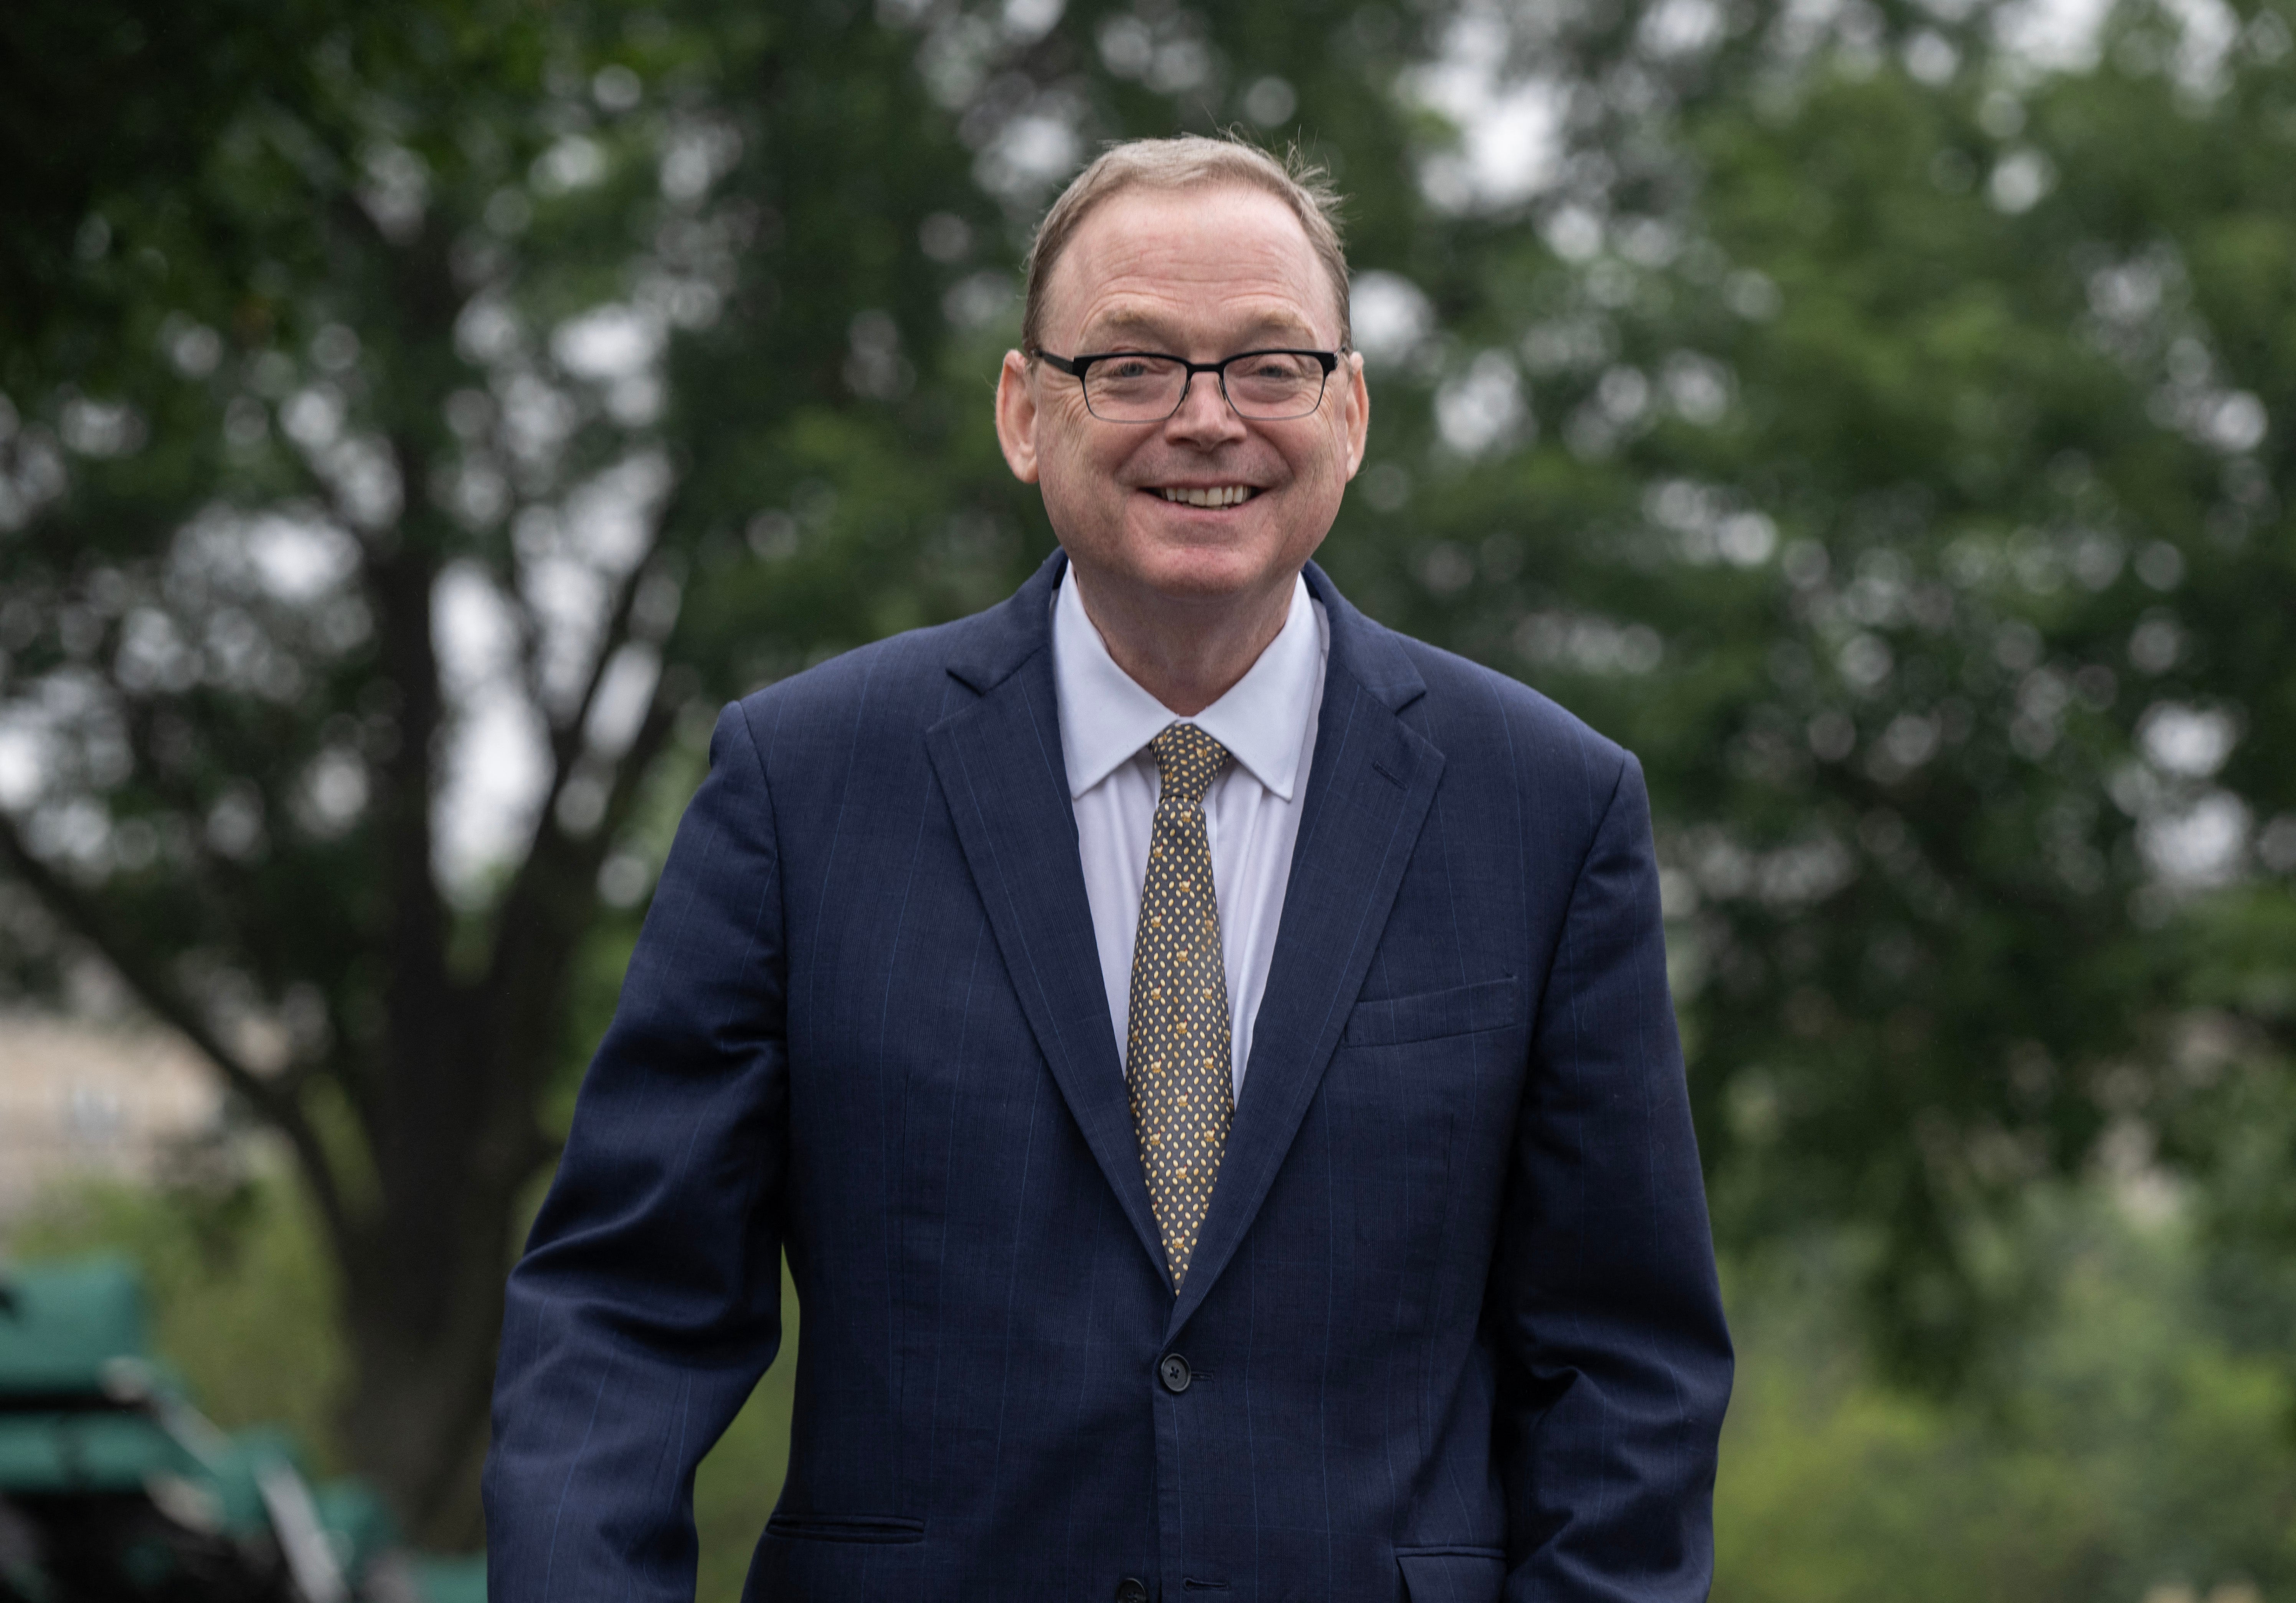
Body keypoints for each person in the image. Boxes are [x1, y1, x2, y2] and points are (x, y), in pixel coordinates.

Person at [484, 135, 1731, 1603]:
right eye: (1133, 367)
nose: (1208, 422)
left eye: (1270, 366)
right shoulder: (802, 784)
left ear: (1350, 414)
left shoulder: (1550, 808)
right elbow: (622, 1318)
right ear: (1026, 412)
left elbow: (1624, 1372)